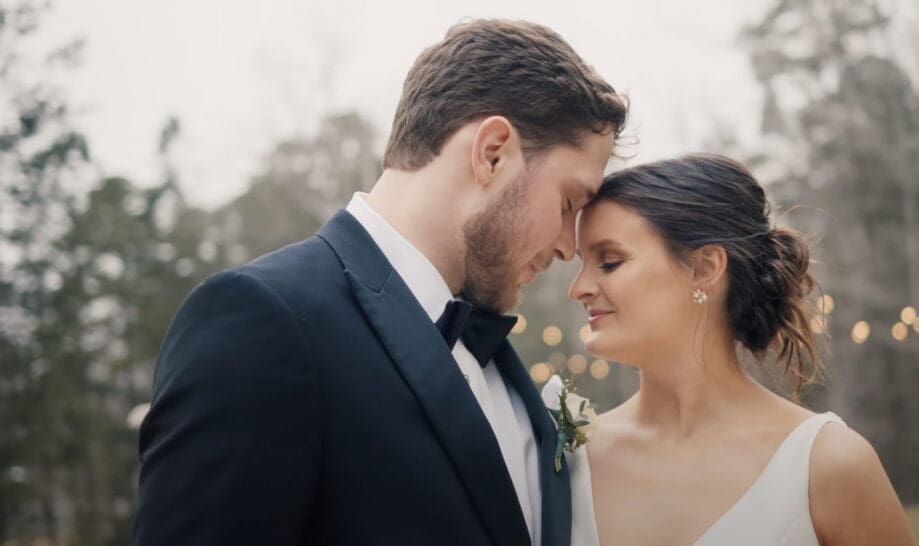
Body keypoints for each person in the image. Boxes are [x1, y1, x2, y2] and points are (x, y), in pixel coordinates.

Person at [131, 19, 627, 546]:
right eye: (568, 202)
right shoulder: (260, 321)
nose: (567, 248)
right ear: (492, 152)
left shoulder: (505, 371)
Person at [567, 154, 915, 545]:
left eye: (609, 262)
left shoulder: (829, 464)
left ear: (704, 268)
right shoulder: (572, 461)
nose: (578, 288)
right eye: (582, 263)